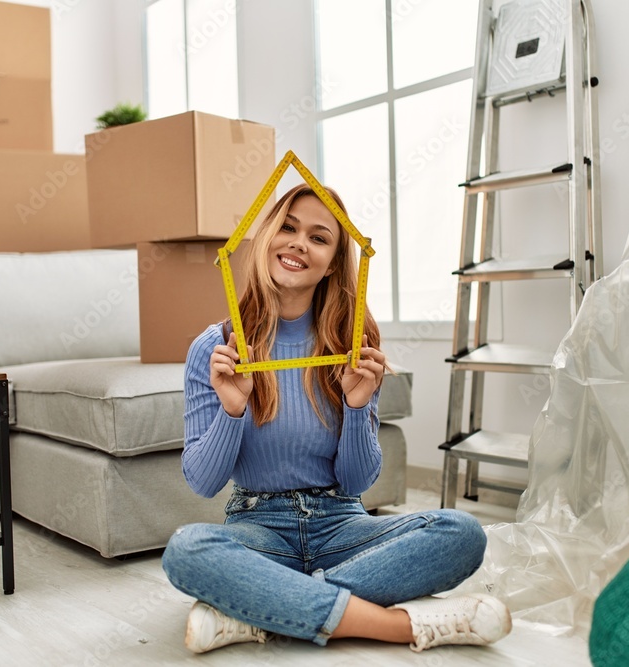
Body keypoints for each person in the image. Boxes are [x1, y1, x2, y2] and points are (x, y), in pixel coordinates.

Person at [162, 183, 511, 653]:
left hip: (341, 523)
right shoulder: (216, 347)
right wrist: (233, 409)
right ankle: (401, 626)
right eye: (287, 227)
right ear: (264, 236)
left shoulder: (352, 346)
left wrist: (357, 404)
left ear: (332, 264)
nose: (298, 243)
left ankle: (259, 611)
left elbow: (356, 481)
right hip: (258, 526)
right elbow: (203, 483)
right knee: (188, 550)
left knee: (461, 533)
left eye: (318, 237)